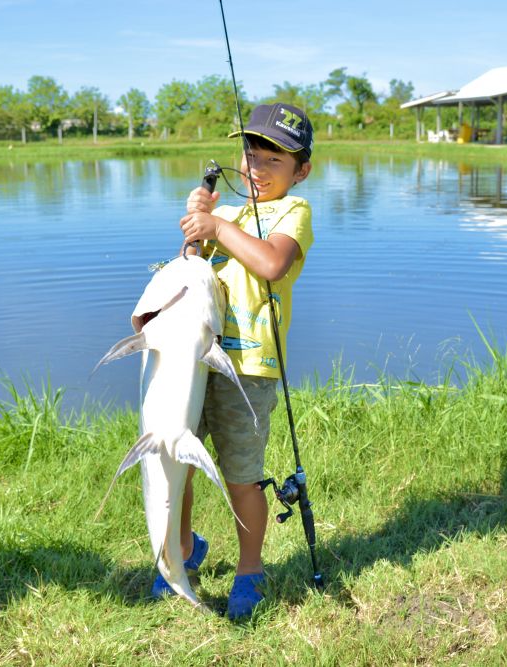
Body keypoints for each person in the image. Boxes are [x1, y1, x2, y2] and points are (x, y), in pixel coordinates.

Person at [157, 102, 314, 620]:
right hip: (196, 361)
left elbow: (271, 262)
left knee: (241, 477)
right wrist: (197, 230)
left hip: (249, 369)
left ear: (301, 171)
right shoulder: (223, 215)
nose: (258, 167)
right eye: (251, 153)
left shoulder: (294, 212)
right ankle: (183, 551)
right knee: (177, 461)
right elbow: (191, 272)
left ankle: (250, 570)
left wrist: (217, 229)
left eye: (275, 159)